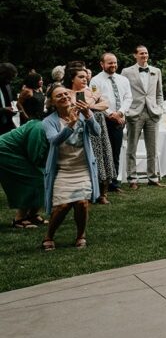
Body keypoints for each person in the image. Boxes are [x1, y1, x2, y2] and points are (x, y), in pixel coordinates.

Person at [41, 84, 101, 251]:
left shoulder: (82, 113)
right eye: (59, 96)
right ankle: (49, 236)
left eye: (66, 93)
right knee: (62, 206)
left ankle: (81, 235)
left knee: (82, 203)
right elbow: (54, 141)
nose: (65, 97)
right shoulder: (49, 121)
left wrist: (88, 115)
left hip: (82, 167)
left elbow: (97, 132)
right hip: (62, 169)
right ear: (52, 102)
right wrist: (70, 125)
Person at [65, 65, 114, 205]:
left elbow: (106, 104)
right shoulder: (67, 93)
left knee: (101, 156)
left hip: (97, 127)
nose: (85, 79)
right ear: (72, 79)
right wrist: (92, 100)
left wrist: (90, 106)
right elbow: (73, 107)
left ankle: (103, 193)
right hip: (78, 129)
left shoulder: (92, 90)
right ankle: (83, 192)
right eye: (81, 77)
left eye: (86, 77)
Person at [0, 95, 48, 229]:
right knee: (35, 178)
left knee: (41, 177)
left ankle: (32, 215)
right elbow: (35, 155)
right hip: (4, 152)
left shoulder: (39, 124)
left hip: (10, 151)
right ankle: (19, 218)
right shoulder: (38, 126)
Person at [122, 45, 164, 189]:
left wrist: (160, 108)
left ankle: (153, 177)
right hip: (134, 113)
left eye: (146, 53)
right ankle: (132, 179)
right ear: (135, 55)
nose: (144, 55)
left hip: (153, 113)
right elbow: (124, 93)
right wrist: (127, 111)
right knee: (131, 147)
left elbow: (159, 93)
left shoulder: (156, 71)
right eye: (141, 53)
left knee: (152, 148)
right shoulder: (126, 72)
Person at [90, 53, 131, 195]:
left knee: (116, 151)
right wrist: (111, 115)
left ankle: (114, 182)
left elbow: (128, 98)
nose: (113, 65)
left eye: (114, 63)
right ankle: (103, 182)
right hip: (104, 120)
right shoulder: (95, 81)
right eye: (109, 63)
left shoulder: (123, 79)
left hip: (119, 118)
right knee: (104, 152)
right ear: (102, 64)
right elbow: (95, 101)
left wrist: (120, 113)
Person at [0, 62, 17, 135]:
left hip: (7, 126)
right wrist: (2, 110)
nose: (10, 81)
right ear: (2, 74)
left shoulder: (7, 85)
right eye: (8, 78)